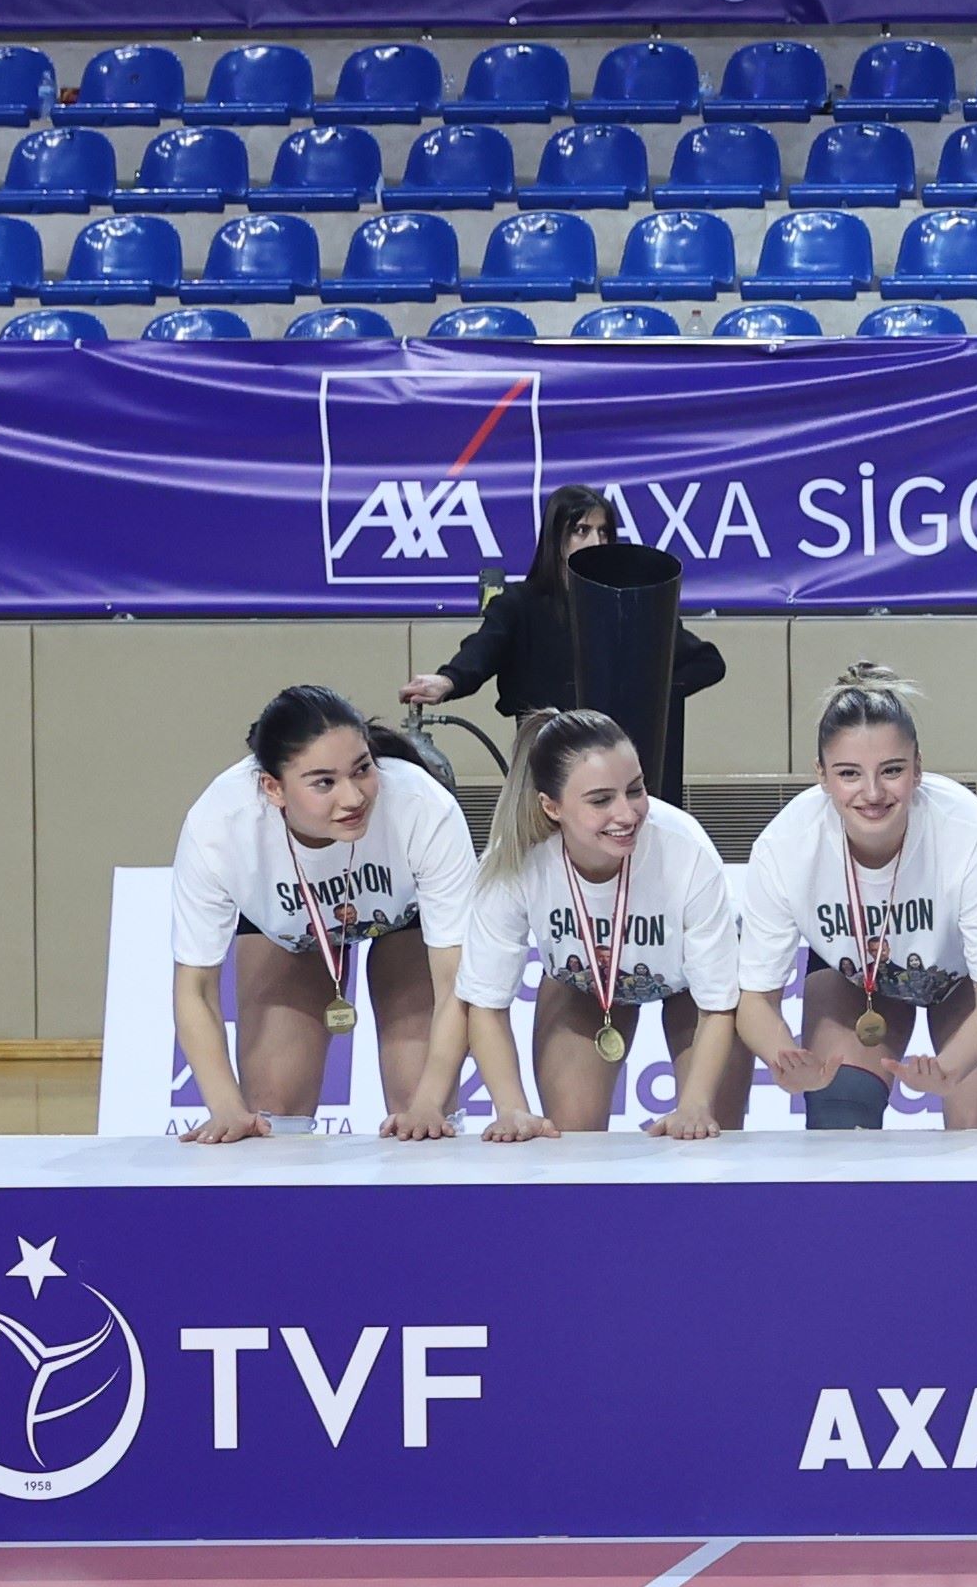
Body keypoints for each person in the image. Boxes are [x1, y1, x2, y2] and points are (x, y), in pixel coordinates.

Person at [164, 686, 472, 1143]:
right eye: (324, 783)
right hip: (286, 928)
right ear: (273, 788)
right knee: (272, 1114)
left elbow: (453, 983)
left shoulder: (423, 806)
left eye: (362, 769)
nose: (353, 798)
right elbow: (196, 989)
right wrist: (226, 1107)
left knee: (423, 1114)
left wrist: (428, 1103)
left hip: (404, 917)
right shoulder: (221, 825)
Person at [730, 663, 977, 1132]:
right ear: (821, 775)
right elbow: (755, 1000)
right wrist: (783, 1058)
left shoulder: (968, 833)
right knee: (838, 1117)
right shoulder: (785, 846)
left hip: (967, 978)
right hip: (855, 978)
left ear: (918, 768)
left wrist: (949, 1069)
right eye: (849, 773)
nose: (872, 793)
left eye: (891, 771)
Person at [452, 708, 741, 1143]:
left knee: (709, 1134)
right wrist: (511, 1109)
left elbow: (718, 1003)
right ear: (551, 806)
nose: (626, 814)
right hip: (583, 986)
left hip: (693, 993)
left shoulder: (686, 851)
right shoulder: (515, 861)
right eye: (601, 800)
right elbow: (485, 1002)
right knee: (572, 1142)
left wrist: (696, 1104)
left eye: (635, 790)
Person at [401, 483, 731, 756]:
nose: (595, 542)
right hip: (545, 756)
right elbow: (483, 650)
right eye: (581, 530)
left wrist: (646, 695)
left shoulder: (630, 604)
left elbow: (707, 662)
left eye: (603, 532)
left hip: (614, 754)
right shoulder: (520, 603)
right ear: (556, 537)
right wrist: (448, 680)